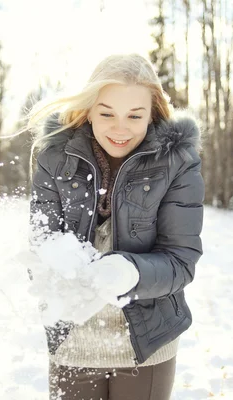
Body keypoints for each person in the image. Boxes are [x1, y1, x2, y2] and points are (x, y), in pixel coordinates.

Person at [26, 53, 204, 400]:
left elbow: (181, 261)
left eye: (134, 115)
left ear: (152, 113)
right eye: (106, 113)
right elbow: (41, 241)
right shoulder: (54, 157)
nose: (119, 128)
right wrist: (58, 267)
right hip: (72, 334)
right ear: (88, 110)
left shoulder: (178, 162)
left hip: (148, 337)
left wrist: (131, 272)